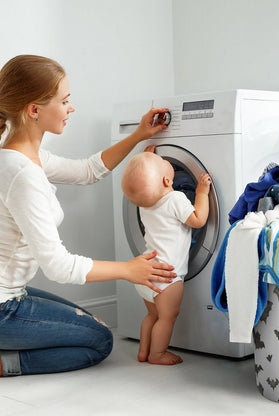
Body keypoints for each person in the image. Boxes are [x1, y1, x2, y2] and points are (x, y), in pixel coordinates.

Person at [0, 54, 177, 376]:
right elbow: (58, 266)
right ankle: (5, 362)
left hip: (10, 292)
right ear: (34, 110)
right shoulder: (21, 173)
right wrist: (129, 270)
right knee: (98, 340)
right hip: (3, 306)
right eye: (65, 101)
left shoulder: (22, 155)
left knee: (90, 322)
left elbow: (88, 171)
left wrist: (139, 135)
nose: (72, 108)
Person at [121, 148, 211, 365]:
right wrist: (200, 193)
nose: (164, 159)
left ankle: (143, 351)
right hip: (167, 276)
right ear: (167, 180)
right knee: (167, 318)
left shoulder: (144, 203)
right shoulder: (176, 198)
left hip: (147, 271)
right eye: (162, 161)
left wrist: (147, 159)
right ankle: (157, 354)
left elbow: (146, 184)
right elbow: (198, 220)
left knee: (152, 316)